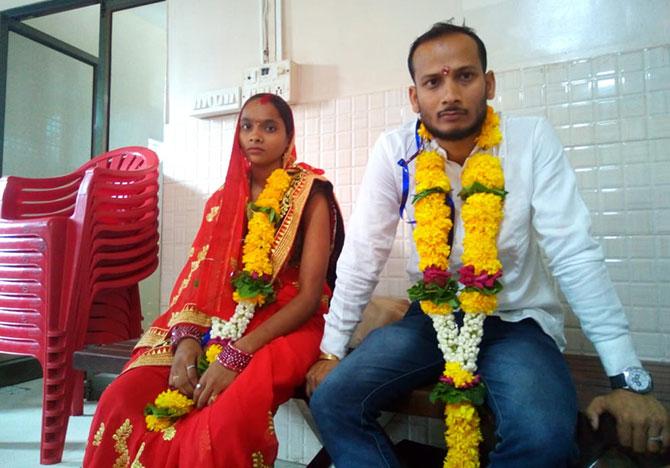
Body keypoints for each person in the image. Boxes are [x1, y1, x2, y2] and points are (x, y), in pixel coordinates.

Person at [306, 22, 669, 467]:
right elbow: (364, 253)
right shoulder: (395, 150)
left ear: (489, 83)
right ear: (414, 96)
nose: (449, 94)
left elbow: (573, 252)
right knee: (332, 401)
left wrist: (627, 378)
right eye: (433, 82)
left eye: (465, 75)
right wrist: (332, 349)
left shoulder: (530, 140)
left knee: (544, 441)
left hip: (515, 322)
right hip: (429, 321)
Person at [83, 93, 344, 467]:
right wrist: (186, 341)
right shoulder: (222, 201)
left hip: (289, 324)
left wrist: (239, 352)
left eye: (269, 127)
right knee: (120, 398)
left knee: (223, 419)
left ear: (288, 137)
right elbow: (198, 281)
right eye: (247, 126)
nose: (256, 136)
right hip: (217, 319)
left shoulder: (311, 194)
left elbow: (308, 297)